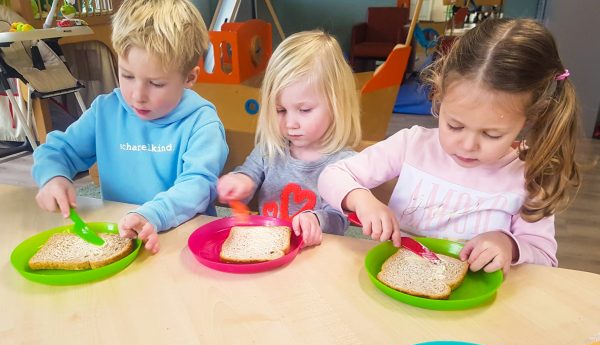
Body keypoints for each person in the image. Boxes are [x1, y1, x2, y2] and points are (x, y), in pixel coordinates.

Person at [318, 18, 582, 273]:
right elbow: (333, 174)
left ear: (529, 119)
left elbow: (545, 259)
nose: (467, 145)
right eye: (455, 125)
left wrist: (509, 245)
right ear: (439, 95)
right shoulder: (412, 145)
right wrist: (363, 200)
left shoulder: (528, 176)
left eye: (491, 134)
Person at [32, 0, 228, 254]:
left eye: (156, 83)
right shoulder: (106, 110)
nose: (137, 95)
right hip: (119, 237)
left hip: (179, 243)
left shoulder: (202, 123)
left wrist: (152, 214)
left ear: (189, 78)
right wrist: (53, 177)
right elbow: (59, 150)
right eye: (127, 75)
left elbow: (199, 185)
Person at [217, 30, 361, 247]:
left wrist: (316, 219)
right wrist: (240, 183)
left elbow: (340, 219)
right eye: (281, 110)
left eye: (304, 110)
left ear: (336, 105)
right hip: (268, 248)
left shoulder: (344, 163)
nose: (290, 123)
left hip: (316, 257)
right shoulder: (270, 149)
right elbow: (249, 174)